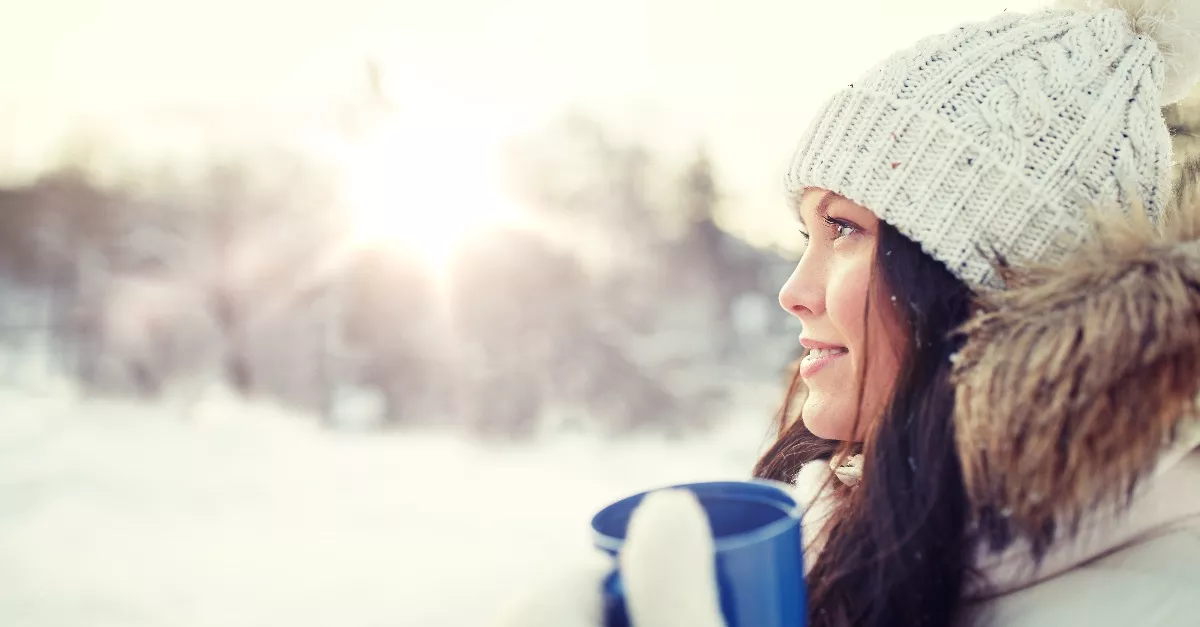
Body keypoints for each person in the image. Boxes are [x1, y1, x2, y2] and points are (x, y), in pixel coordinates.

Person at [501, 0, 1200, 625]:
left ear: (986, 279)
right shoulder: (847, 515)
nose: (792, 290)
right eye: (810, 232)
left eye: (846, 229)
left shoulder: (1162, 599)